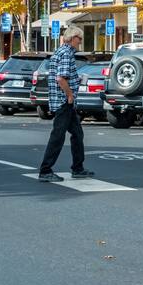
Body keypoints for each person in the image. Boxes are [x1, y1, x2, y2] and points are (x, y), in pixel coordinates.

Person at [37, 27, 94, 182]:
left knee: (77, 134)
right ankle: (45, 170)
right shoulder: (66, 54)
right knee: (58, 136)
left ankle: (78, 168)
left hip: (63, 101)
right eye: (79, 38)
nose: (80, 42)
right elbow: (61, 78)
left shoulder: (60, 52)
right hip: (64, 101)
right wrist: (69, 95)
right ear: (73, 38)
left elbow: (62, 76)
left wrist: (76, 80)